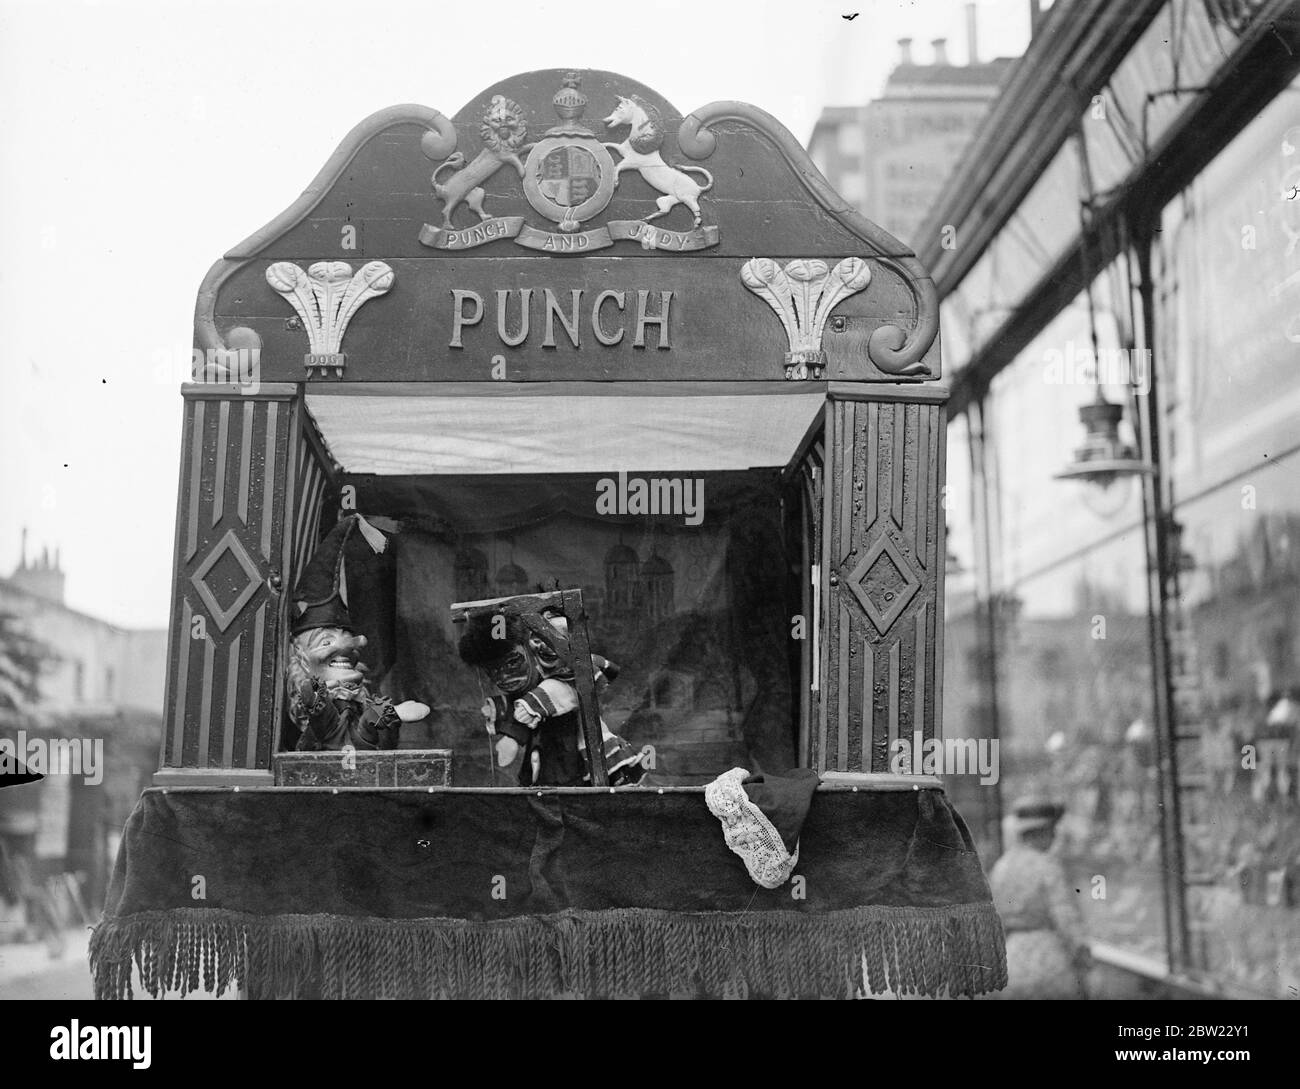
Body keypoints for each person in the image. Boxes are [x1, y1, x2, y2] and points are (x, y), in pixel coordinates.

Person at [458, 607, 645, 787]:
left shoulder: (563, 675)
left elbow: (559, 691)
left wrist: (519, 724)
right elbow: (521, 709)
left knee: (571, 780)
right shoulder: (527, 689)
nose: (503, 677)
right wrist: (509, 733)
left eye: (513, 663)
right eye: (493, 672)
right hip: (544, 753)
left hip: (570, 750)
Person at [988, 796, 1090, 999]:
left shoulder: (1001, 867)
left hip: (1012, 965)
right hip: (1050, 965)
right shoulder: (1048, 867)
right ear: (1046, 831)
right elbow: (1065, 919)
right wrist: (1084, 957)